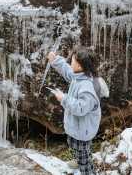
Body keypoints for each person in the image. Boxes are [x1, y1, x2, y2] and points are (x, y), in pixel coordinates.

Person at [47, 46, 103, 175]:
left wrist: (63, 98)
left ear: (80, 66)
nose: (70, 62)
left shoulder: (87, 87)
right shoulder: (80, 75)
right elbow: (67, 71)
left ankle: (87, 170)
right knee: (74, 145)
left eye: (72, 61)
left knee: (82, 153)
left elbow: (81, 108)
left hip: (82, 130)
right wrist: (55, 61)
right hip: (78, 127)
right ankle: (79, 159)